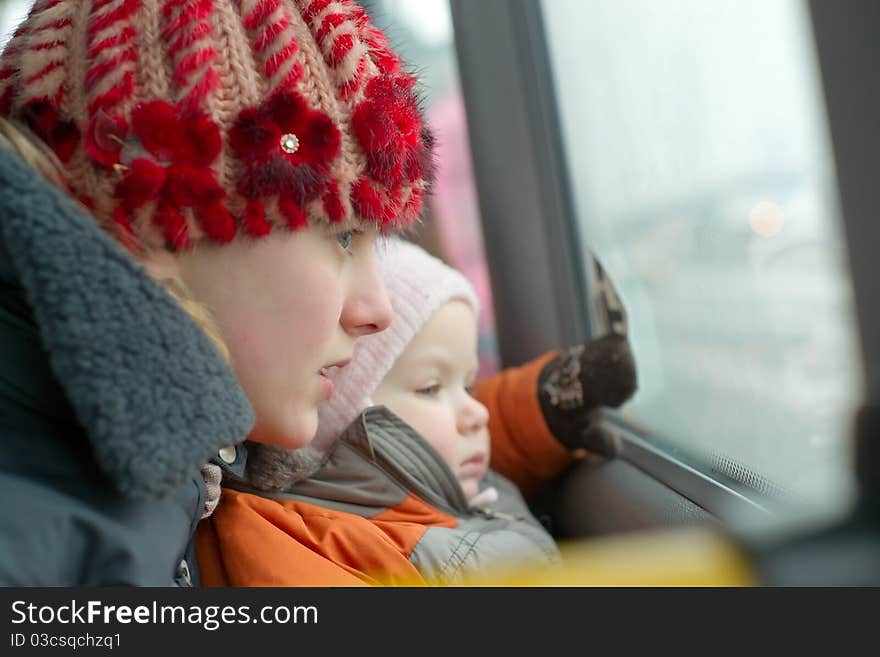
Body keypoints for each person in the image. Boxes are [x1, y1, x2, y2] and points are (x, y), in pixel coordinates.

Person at [0, 0, 434, 585]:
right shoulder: (37, 540)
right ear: (153, 224)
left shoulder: (146, 490)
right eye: (342, 236)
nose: (378, 312)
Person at [197, 239, 637, 585]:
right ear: (339, 412)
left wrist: (549, 402)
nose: (477, 413)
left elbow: (427, 458)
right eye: (431, 387)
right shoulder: (314, 549)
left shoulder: (432, 479)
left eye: (466, 385)